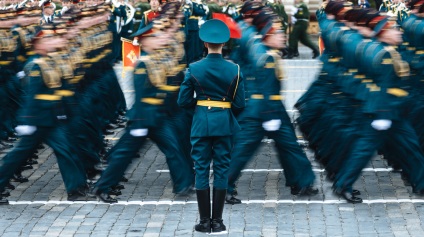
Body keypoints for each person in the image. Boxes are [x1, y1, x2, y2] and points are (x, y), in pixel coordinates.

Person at [177, 19, 245, 233]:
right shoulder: (234, 69)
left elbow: (183, 101)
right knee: (222, 169)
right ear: (223, 44)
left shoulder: (194, 68)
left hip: (200, 123)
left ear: (204, 44)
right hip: (224, 122)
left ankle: (204, 221)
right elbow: (240, 104)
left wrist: (200, 109)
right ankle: (218, 221)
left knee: (201, 169)